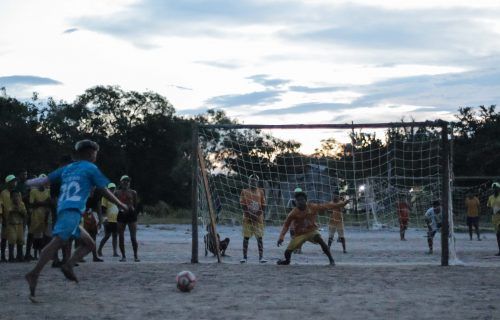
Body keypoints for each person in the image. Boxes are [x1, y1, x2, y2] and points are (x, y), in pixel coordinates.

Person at [24, 139, 129, 300]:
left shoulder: (67, 168)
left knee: (89, 244)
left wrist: (26, 182)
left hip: (64, 209)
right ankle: (34, 273)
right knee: (56, 243)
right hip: (72, 210)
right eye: (95, 153)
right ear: (89, 153)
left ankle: (68, 265)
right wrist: (120, 203)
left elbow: (44, 181)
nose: (96, 156)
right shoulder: (90, 167)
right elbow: (103, 189)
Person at [276, 188, 344, 266]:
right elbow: (286, 225)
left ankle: (331, 260)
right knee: (287, 252)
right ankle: (287, 261)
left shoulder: (312, 206)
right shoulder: (293, 213)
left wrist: (343, 204)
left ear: (306, 200)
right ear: (296, 202)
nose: (300, 202)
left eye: (302, 200)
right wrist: (281, 237)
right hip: (300, 234)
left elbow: (327, 206)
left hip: (311, 231)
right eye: (298, 200)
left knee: (320, 240)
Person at [239, 174, 267, 263]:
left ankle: (261, 257)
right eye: (251, 180)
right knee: (246, 238)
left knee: (259, 238)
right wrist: (250, 215)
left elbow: (263, 205)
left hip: (258, 219)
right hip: (247, 218)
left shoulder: (261, 191)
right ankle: (244, 257)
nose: (253, 182)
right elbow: (242, 205)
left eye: (255, 180)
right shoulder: (244, 191)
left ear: (257, 182)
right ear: (249, 181)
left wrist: (257, 215)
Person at [115, 175, 139, 262]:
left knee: (133, 237)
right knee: (121, 236)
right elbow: (115, 202)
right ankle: (123, 256)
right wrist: (120, 208)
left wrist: (131, 209)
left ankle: (135, 256)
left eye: (127, 181)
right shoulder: (117, 192)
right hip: (121, 214)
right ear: (121, 182)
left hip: (131, 214)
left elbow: (135, 204)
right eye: (124, 181)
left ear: (129, 183)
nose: (126, 183)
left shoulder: (133, 192)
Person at [28, 174, 52, 259]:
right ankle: (29, 253)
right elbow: (31, 204)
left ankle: (43, 254)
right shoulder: (33, 191)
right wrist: (43, 203)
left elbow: (50, 203)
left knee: (45, 236)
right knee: (34, 235)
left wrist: (39, 203)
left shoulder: (48, 191)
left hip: (46, 216)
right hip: (35, 216)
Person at [97, 183, 120, 257]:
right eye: (111, 188)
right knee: (107, 235)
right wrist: (105, 219)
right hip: (108, 220)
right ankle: (99, 249)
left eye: (113, 188)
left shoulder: (116, 197)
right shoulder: (105, 197)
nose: (112, 189)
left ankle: (115, 252)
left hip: (116, 219)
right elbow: (103, 209)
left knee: (115, 235)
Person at [6, 190, 27, 262]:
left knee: (20, 240)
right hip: (12, 224)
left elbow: (24, 214)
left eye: (17, 196)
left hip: (20, 224)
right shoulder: (9, 203)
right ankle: (11, 257)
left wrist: (18, 209)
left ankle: (20, 256)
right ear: (11, 197)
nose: (16, 198)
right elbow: (8, 212)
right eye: (14, 196)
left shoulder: (22, 204)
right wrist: (15, 209)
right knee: (12, 240)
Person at [83, 189, 103, 262]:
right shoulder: (83, 194)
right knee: (82, 237)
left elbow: (99, 208)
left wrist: (100, 220)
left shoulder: (96, 196)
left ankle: (94, 256)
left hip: (92, 217)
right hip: (84, 216)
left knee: (93, 237)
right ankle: (80, 256)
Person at [1, 175, 17, 262]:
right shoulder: (3, 193)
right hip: (6, 219)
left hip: (15, 220)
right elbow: (1, 205)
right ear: (8, 183)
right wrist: (3, 217)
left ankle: (11, 256)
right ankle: (2, 256)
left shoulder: (16, 193)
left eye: (15, 181)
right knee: (4, 238)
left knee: (13, 238)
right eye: (12, 181)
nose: (14, 183)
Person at [487, 182, 500, 256]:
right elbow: (488, 206)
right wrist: (491, 211)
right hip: (494, 218)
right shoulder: (490, 197)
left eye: (496, 188)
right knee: (498, 235)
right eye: (494, 189)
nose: (495, 190)